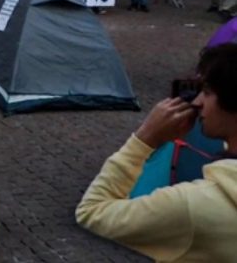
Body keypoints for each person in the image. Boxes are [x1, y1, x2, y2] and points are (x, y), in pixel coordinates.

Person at [75, 44, 237, 261]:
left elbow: (92, 211)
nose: (197, 102)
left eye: (207, 92)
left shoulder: (194, 206)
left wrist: (144, 139)